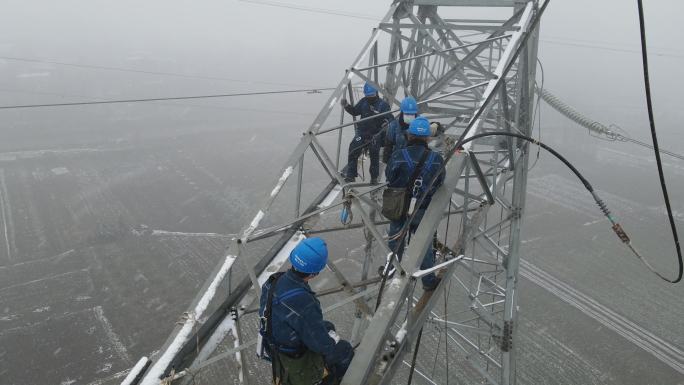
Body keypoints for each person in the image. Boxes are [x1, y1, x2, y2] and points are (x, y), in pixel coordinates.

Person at [259, 237, 354, 385]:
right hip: (293, 355)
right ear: (314, 273)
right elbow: (321, 345)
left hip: (275, 343)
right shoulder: (304, 303)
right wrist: (330, 343)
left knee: (327, 326)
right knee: (345, 350)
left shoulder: (273, 281)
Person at [384, 117, 445, 291]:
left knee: (395, 242)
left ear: (409, 135)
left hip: (398, 206)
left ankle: (393, 272)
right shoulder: (436, 158)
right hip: (422, 208)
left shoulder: (398, 155)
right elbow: (441, 180)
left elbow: (390, 176)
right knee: (422, 245)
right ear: (427, 138)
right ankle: (428, 281)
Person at [340, 83, 392, 184]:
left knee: (374, 153)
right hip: (362, 132)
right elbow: (355, 111)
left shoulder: (383, 105)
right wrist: (347, 106)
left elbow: (390, 118)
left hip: (375, 134)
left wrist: (386, 123)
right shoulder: (364, 102)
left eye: (371, 96)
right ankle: (351, 175)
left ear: (376, 93)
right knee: (353, 148)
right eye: (367, 96)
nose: (369, 98)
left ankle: (374, 178)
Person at [382, 96, 419, 164]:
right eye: (407, 114)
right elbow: (388, 146)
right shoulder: (394, 125)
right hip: (399, 161)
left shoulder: (421, 124)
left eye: (412, 114)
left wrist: (436, 125)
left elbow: (431, 133)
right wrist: (388, 163)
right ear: (402, 112)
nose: (410, 116)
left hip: (416, 163)